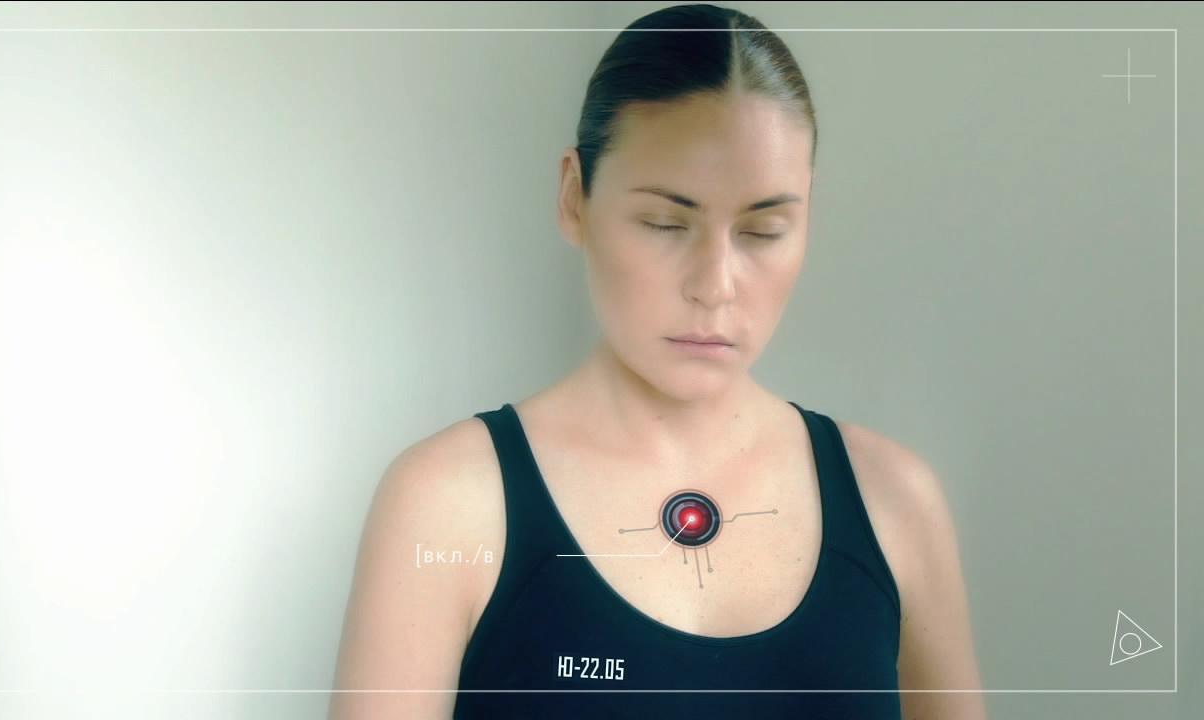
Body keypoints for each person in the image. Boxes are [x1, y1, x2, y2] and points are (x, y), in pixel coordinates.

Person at [328, 4, 985, 718]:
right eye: (666, 223)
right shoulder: (446, 505)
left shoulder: (896, 502)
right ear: (574, 196)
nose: (715, 284)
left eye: (764, 230)